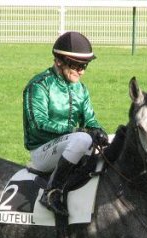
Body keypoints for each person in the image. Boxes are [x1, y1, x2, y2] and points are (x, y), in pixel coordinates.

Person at [23, 31, 109, 216]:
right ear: (59, 61)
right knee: (81, 140)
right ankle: (52, 192)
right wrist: (77, 131)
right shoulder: (39, 86)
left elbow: (90, 119)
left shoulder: (80, 89)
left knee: (114, 139)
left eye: (85, 65)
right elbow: (38, 125)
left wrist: (98, 131)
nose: (82, 71)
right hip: (42, 151)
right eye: (76, 65)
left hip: (71, 144)